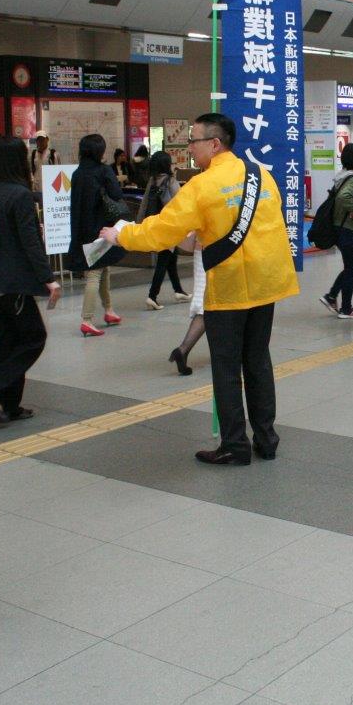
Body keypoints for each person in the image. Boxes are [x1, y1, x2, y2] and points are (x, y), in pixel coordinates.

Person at [103, 113, 298, 465]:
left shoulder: (202, 186)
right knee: (258, 361)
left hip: (229, 288)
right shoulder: (261, 175)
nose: (188, 147)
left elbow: (162, 230)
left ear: (215, 143)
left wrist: (122, 235)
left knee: (225, 367)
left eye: (193, 141)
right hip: (266, 283)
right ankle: (267, 439)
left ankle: (235, 445)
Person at [0, 137, 61, 424]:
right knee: (34, 337)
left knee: (9, 341)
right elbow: (30, 242)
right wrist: (49, 279)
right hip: (14, 284)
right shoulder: (20, 195)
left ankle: (7, 405)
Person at [68, 134, 125, 336]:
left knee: (103, 269)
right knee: (94, 273)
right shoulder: (103, 171)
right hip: (101, 227)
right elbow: (117, 194)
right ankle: (87, 319)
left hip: (81, 227)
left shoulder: (77, 173)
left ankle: (109, 310)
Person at [319, 143, 353, 319]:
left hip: (338, 227)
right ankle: (345, 309)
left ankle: (331, 296)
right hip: (346, 229)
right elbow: (343, 197)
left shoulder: (342, 175)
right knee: (351, 267)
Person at [141, 151, 191, 311]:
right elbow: (180, 203)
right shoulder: (170, 181)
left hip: (155, 224)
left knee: (170, 258)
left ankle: (178, 291)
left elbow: (144, 204)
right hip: (169, 226)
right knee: (164, 260)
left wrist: (139, 222)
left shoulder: (152, 181)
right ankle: (152, 296)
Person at [169, 233, 208, 376]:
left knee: (204, 300)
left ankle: (183, 351)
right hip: (218, 249)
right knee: (209, 304)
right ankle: (183, 349)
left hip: (200, 248)